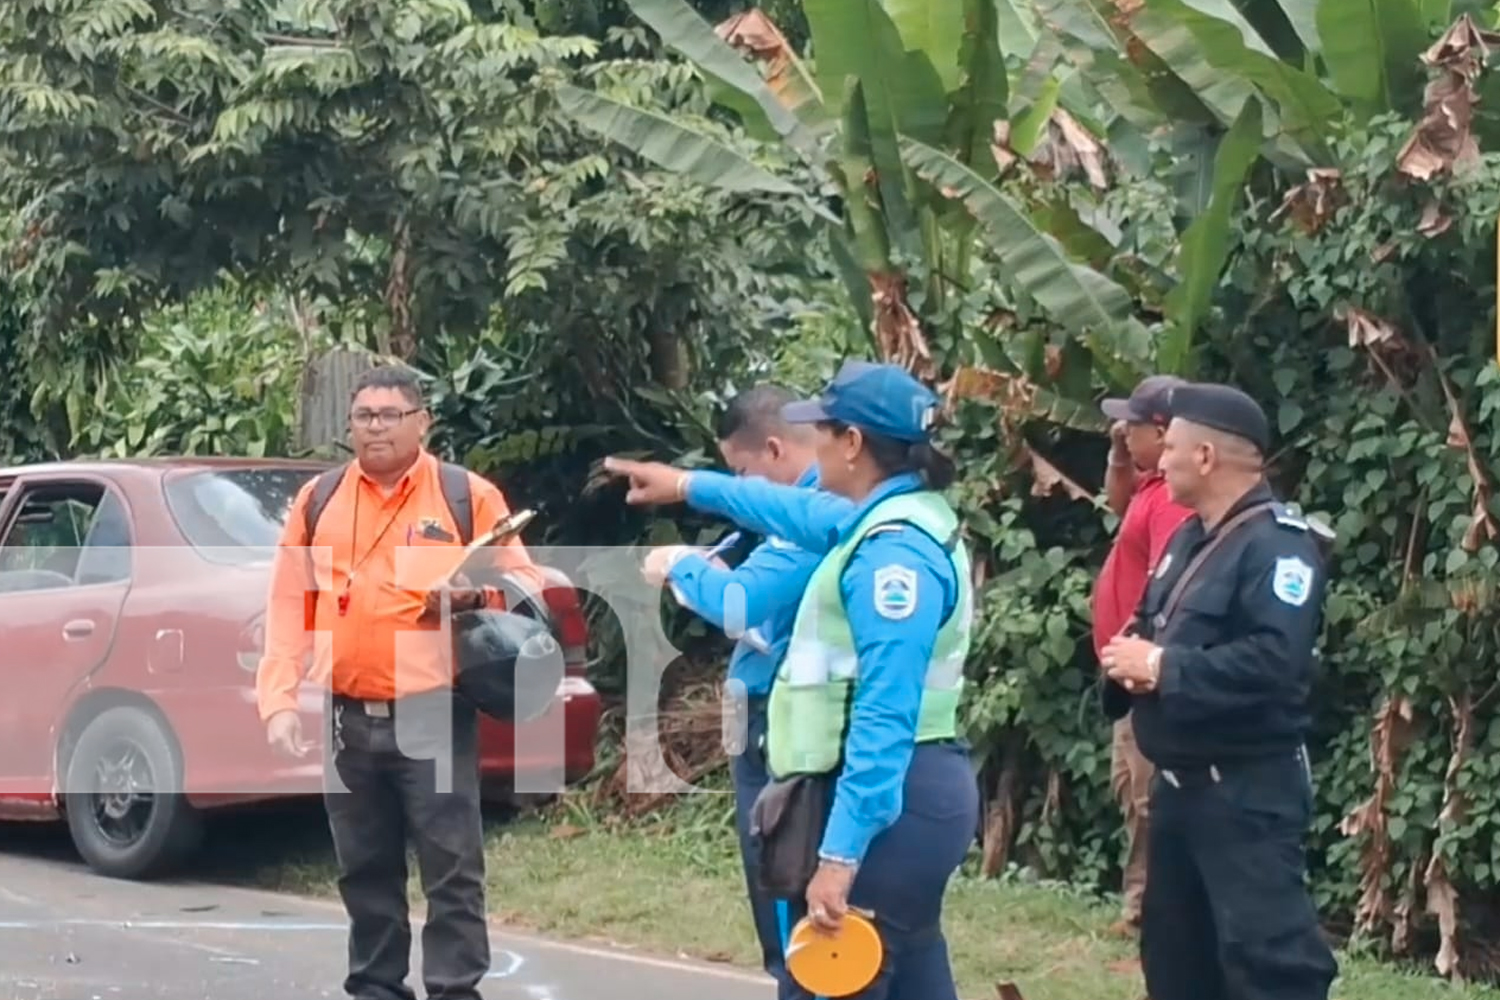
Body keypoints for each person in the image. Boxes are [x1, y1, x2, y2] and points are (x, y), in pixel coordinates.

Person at [606, 360, 979, 1000]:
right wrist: (689, 486)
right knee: (909, 974)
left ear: (854, 444)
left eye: (824, 432)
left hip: (885, 800)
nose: (813, 447)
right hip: (898, 793)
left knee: (827, 982)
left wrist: (839, 857)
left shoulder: (893, 556)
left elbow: (883, 717)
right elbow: (784, 505)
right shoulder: (878, 517)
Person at [257, 364, 548, 1000]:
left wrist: (473, 594)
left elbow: (525, 586)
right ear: (350, 426)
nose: (376, 428)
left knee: (452, 872)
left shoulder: (465, 495)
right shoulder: (320, 501)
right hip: (347, 718)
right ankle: (376, 988)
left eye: (391, 416)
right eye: (364, 416)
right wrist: (278, 701)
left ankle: (453, 989)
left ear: (423, 423)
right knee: (363, 872)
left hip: (434, 713)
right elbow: (289, 603)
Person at [1099, 382, 1339, 1000]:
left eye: (1172, 446)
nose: (1161, 458)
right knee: (1177, 962)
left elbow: (1275, 662)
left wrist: (1162, 667)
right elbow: (1154, 623)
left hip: (1245, 794)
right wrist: (1130, 658)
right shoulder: (1191, 538)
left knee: (1266, 964)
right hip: (1179, 794)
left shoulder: (1278, 548)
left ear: (1205, 457)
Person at [639, 385, 828, 997]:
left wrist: (677, 565)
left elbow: (739, 600)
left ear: (773, 449)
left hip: (785, 722)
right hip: (762, 710)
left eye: (742, 473)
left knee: (785, 886)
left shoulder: (813, 511)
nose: (740, 488)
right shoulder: (782, 516)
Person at [1092, 374, 1193, 934]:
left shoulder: (1172, 505)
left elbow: (1169, 586)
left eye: (1132, 425)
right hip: (1124, 670)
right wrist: (1116, 452)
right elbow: (1116, 499)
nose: (1123, 432)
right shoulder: (1153, 486)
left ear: (1161, 430)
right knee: (1132, 790)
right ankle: (1139, 905)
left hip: (1143, 671)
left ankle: (1149, 910)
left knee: (1148, 793)